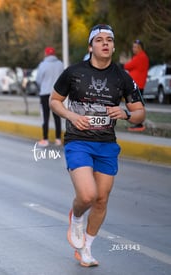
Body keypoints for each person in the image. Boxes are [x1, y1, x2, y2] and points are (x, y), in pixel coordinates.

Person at [49, 24, 145, 267]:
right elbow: (55, 101)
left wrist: (124, 114)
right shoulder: (74, 73)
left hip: (106, 145)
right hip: (79, 141)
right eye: (100, 39)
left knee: (101, 199)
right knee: (88, 195)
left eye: (109, 40)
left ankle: (86, 250)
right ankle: (77, 217)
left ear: (113, 46)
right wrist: (71, 117)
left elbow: (140, 113)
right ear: (91, 46)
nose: (105, 43)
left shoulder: (122, 77)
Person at [35, 46, 64, 147]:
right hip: (57, 94)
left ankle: (45, 139)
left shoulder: (42, 65)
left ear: (46, 54)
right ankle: (58, 139)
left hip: (45, 93)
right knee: (57, 116)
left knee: (45, 117)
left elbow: (38, 80)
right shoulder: (60, 64)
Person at [124, 39, 149, 132]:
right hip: (138, 84)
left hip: (137, 85)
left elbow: (127, 66)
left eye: (135, 47)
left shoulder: (140, 57)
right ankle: (138, 123)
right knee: (136, 104)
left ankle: (139, 124)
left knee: (137, 105)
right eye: (133, 46)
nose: (133, 49)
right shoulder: (142, 57)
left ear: (140, 48)